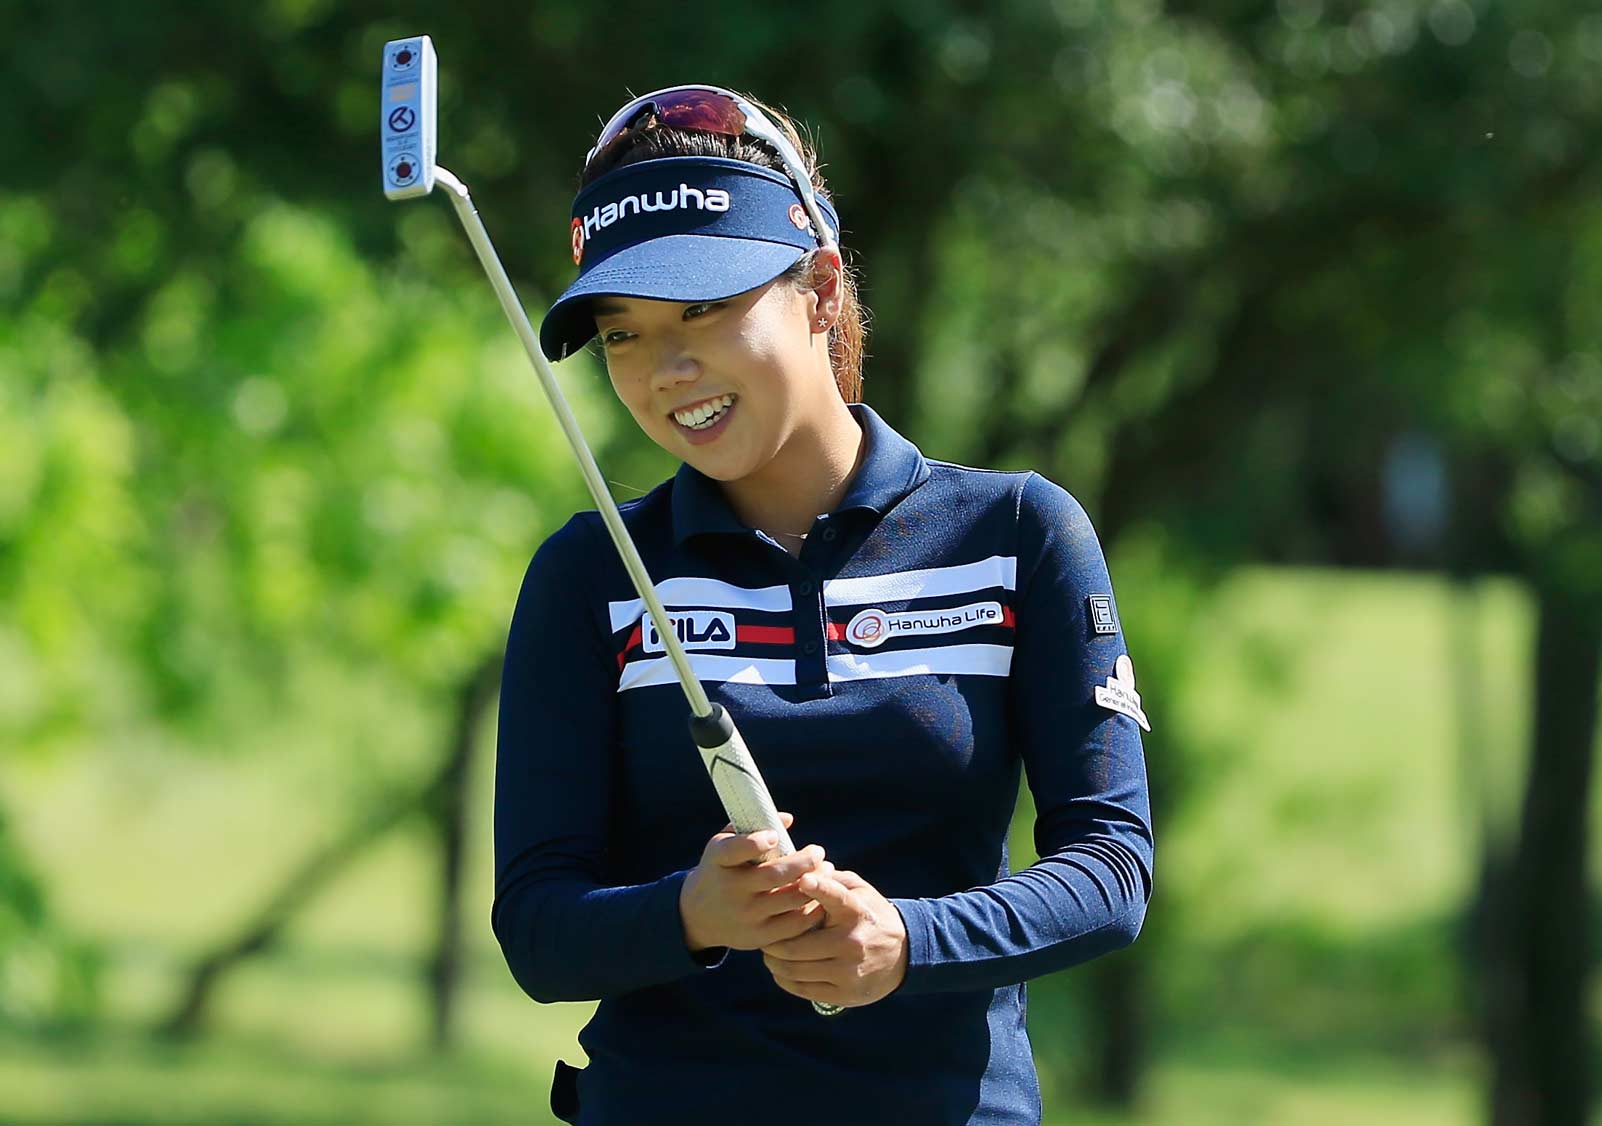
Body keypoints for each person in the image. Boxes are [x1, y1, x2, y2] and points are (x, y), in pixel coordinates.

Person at [491, 85, 1155, 1125]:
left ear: (819, 285)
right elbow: (536, 926)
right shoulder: (591, 572)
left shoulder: (1016, 534)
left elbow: (1110, 868)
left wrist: (904, 939)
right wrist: (691, 912)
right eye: (621, 334)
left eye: (703, 308)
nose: (666, 370)